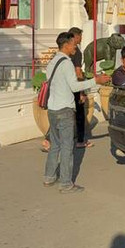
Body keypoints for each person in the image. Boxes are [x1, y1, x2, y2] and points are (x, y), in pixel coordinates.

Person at [44, 31, 110, 193]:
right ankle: (66, 183)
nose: (76, 46)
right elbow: (74, 86)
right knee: (67, 147)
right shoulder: (66, 63)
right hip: (64, 109)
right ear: (66, 45)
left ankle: (49, 176)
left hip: (52, 109)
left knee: (55, 145)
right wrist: (96, 81)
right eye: (74, 44)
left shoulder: (53, 61)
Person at [68, 26, 92, 149]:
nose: (81, 38)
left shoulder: (62, 50)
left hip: (63, 87)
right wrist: (82, 91)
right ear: (76, 36)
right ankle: (80, 140)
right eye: (80, 36)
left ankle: (49, 139)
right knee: (80, 114)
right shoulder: (76, 51)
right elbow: (78, 71)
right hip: (74, 86)